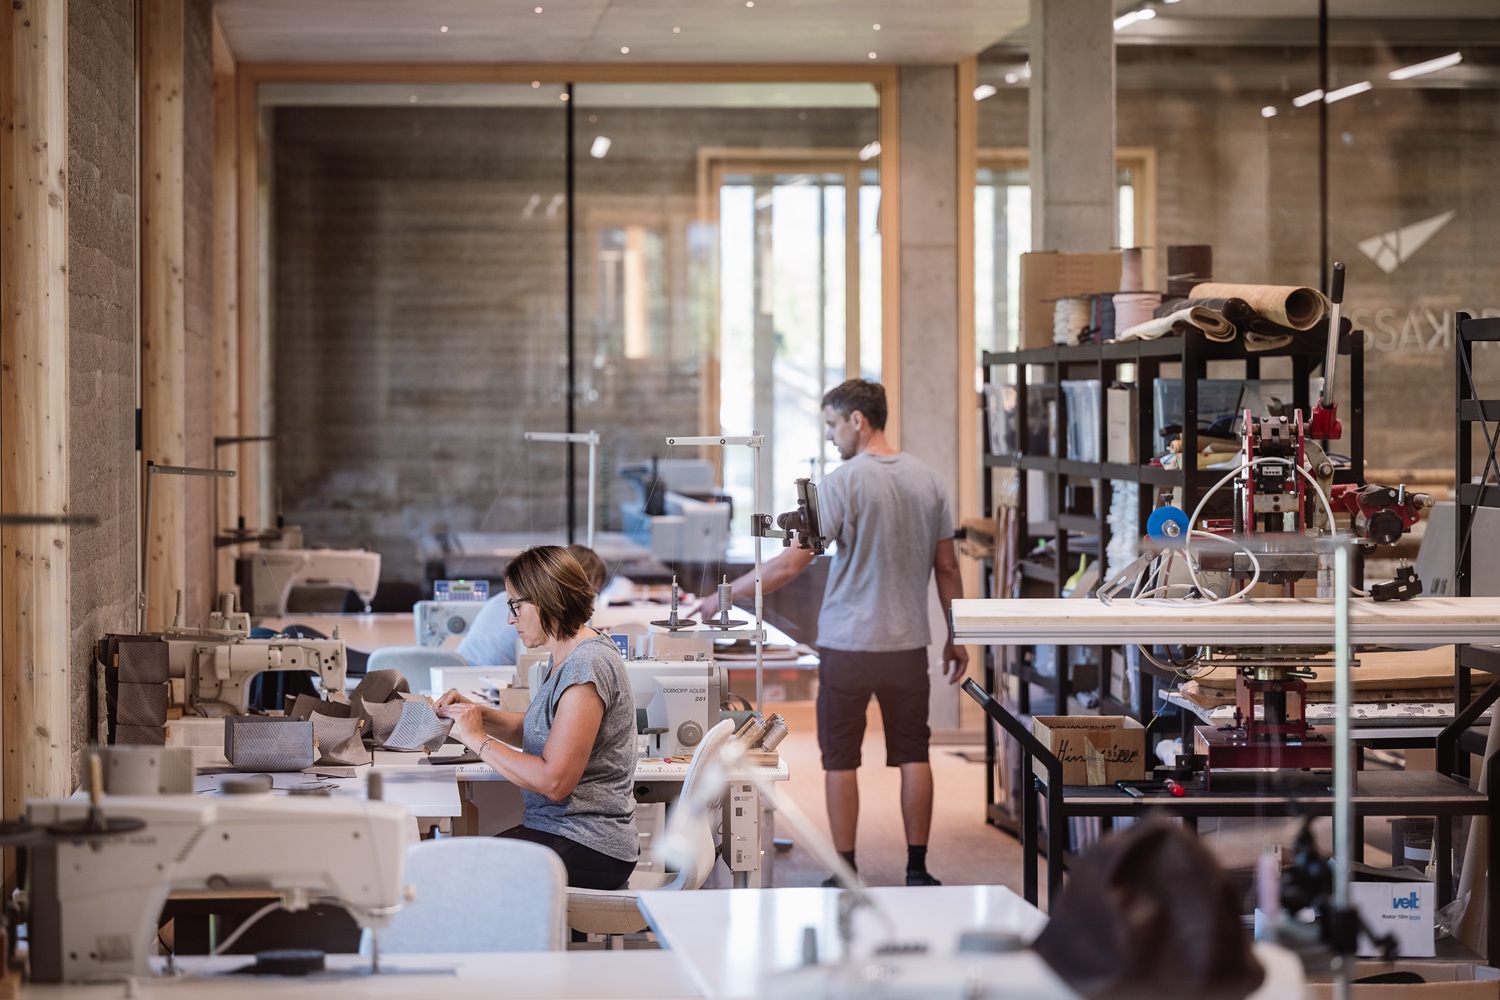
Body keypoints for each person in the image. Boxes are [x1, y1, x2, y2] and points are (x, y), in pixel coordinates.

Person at [697, 379, 967, 886]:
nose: (829, 436)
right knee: (914, 753)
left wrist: (725, 596)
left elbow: (788, 566)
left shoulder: (842, 484)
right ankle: (917, 869)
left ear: (857, 421)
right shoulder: (930, 481)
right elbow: (947, 568)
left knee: (840, 759)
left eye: (831, 424)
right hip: (908, 644)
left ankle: (845, 872)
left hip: (848, 644)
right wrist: (957, 634)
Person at [435, 544, 638, 889]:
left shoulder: (586, 665)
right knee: (455, 864)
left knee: (457, 875)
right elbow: (539, 732)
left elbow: (554, 782)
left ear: (546, 600)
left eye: (515, 605)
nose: (509, 619)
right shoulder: (564, 657)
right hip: (565, 834)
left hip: (590, 844)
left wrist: (477, 739)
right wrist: (477, 713)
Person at [456, 543, 608, 665]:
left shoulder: (584, 660)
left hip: (462, 665)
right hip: (477, 672)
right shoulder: (574, 657)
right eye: (594, 591)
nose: (510, 620)